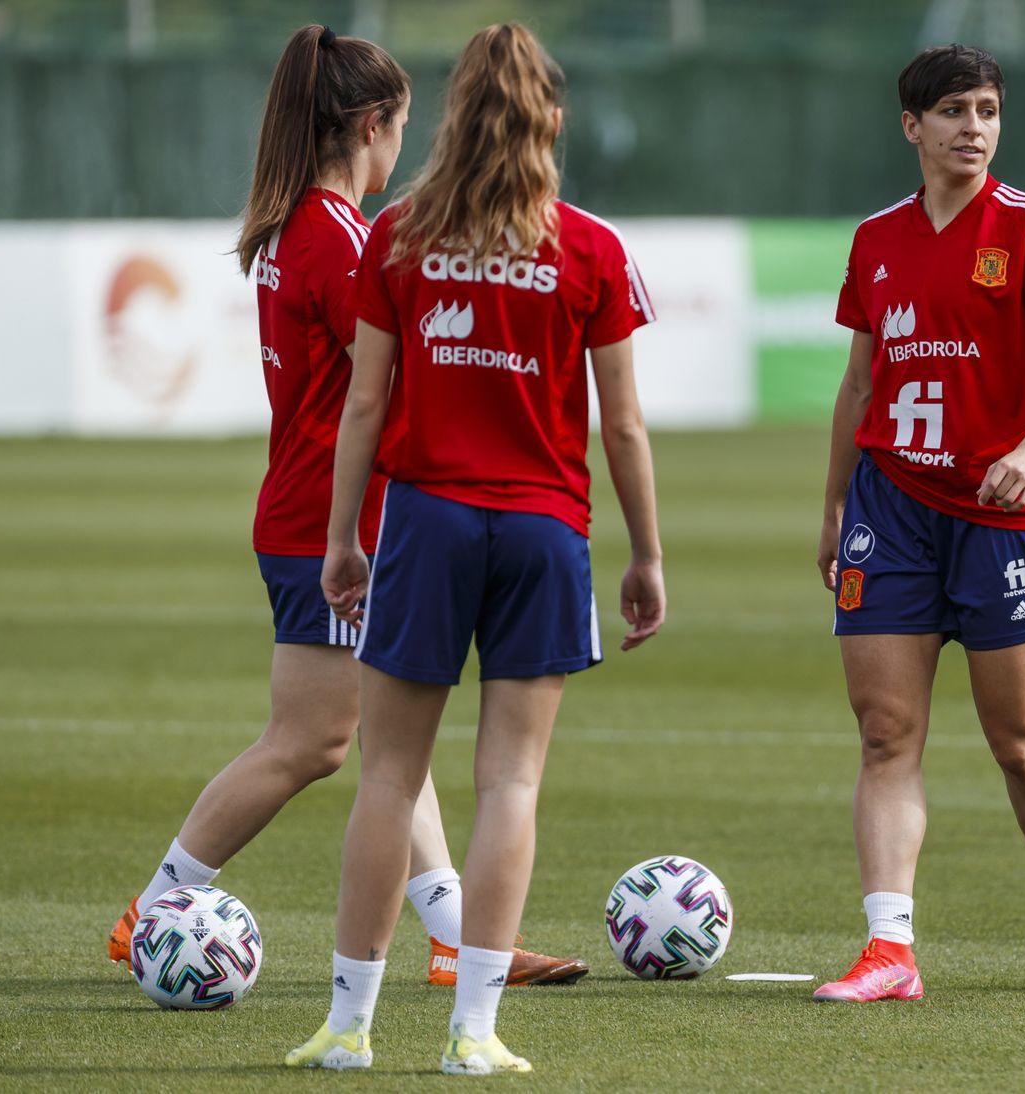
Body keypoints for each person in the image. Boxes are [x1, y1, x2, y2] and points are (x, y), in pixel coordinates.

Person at [106, 24, 586, 991]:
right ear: (372, 124)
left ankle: (456, 937)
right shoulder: (343, 242)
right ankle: (154, 911)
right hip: (336, 524)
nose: (403, 145)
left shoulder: (298, 230)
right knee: (314, 741)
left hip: (307, 509)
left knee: (383, 734)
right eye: (401, 126)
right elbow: (390, 390)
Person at [284, 23, 665, 1074]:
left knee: (387, 779)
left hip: (427, 520)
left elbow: (365, 402)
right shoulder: (590, 245)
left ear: (453, 113)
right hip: (544, 529)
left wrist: (339, 538)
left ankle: (348, 1026)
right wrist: (647, 554)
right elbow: (622, 424)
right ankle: (474, 1034)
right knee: (510, 784)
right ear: (551, 116)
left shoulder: (398, 233)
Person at [812, 44, 1025, 1003]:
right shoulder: (876, 239)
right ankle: (890, 949)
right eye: (953, 112)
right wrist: (835, 503)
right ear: (912, 127)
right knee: (886, 732)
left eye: (986, 110)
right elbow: (860, 383)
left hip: (1002, 513)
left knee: (1020, 743)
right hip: (890, 507)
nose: (973, 128)